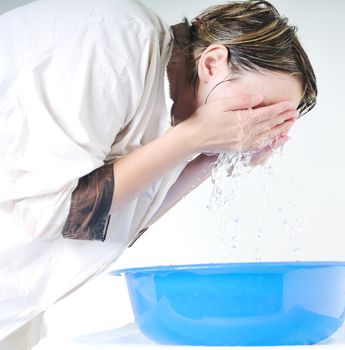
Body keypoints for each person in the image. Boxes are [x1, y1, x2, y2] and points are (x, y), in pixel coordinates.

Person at [0, 0, 317, 348]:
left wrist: (212, 155)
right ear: (212, 63)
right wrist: (195, 137)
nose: (256, 124)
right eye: (258, 108)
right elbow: (55, 211)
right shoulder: (116, 43)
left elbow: (113, 220)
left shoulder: (172, 115)